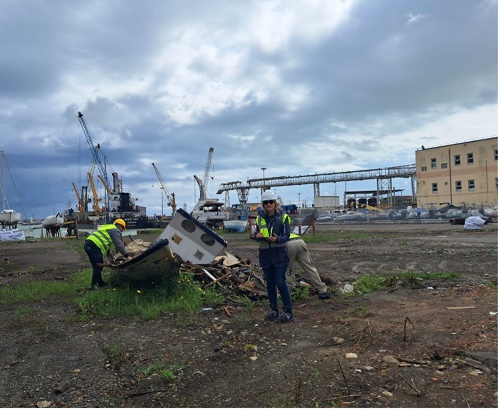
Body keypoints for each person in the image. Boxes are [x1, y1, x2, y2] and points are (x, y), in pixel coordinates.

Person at [251, 190, 294, 323]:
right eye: (266, 202)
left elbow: (286, 236)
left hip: (279, 254)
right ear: (263, 204)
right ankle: (273, 310)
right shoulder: (259, 219)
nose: (268, 204)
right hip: (265, 255)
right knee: (270, 284)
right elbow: (255, 234)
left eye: (271, 202)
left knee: (280, 283)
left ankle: (288, 312)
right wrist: (257, 236)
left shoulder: (283, 217)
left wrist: (277, 239)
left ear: (275, 203)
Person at [83, 218, 132, 289]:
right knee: (98, 265)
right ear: (120, 226)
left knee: (96, 265)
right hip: (95, 245)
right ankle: (94, 286)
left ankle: (100, 283)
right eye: (123, 229)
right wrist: (126, 256)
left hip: (88, 244)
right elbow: (119, 245)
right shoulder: (115, 230)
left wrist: (108, 250)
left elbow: (103, 238)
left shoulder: (108, 227)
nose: (122, 231)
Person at [286, 233, 332, 299]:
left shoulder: (273, 233)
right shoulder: (284, 229)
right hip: (300, 241)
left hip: (288, 244)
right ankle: (322, 290)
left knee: (287, 269)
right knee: (310, 268)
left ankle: (291, 291)